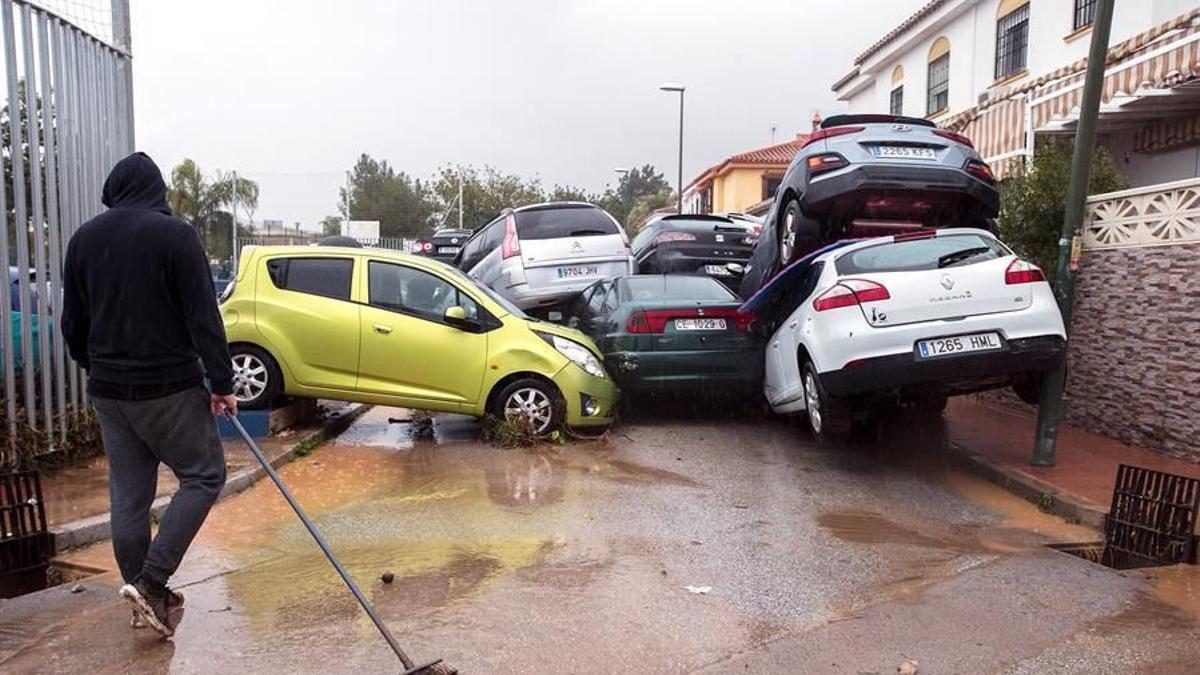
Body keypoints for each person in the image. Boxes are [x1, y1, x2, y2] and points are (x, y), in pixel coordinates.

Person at [61, 152, 237, 638]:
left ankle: (142, 592)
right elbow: (204, 317)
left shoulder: (83, 240)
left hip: (110, 395)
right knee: (204, 476)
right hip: (169, 389)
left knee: (130, 497)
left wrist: (96, 369)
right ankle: (153, 582)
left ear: (114, 191)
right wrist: (222, 383)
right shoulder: (175, 235)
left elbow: (72, 326)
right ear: (156, 192)